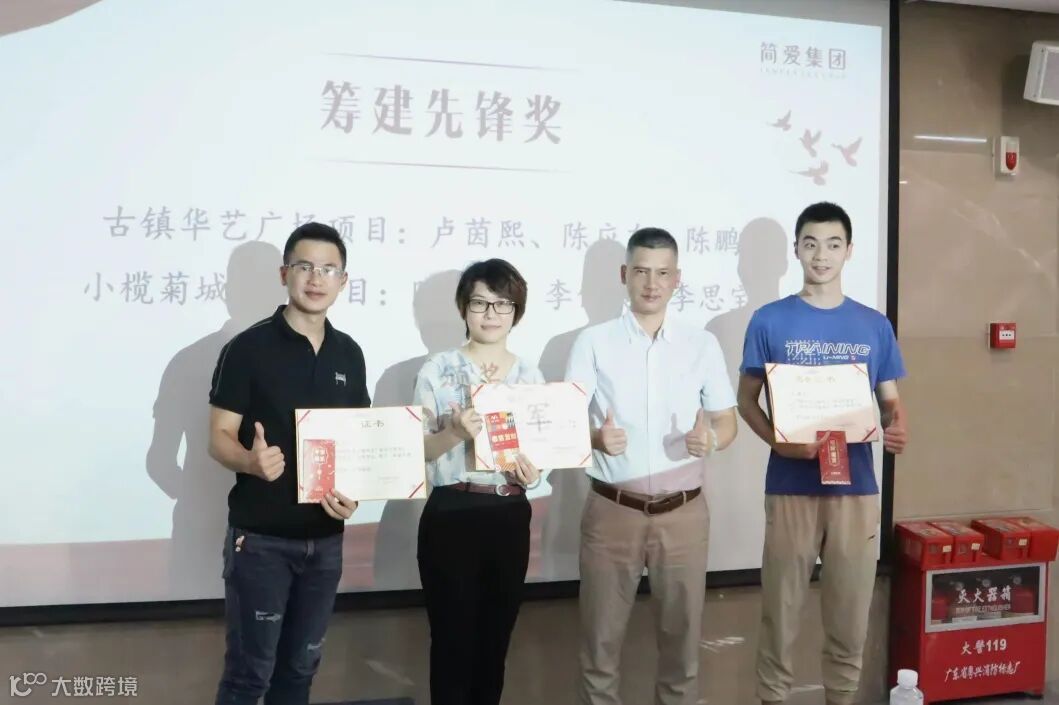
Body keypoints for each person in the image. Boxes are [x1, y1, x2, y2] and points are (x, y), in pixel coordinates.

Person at [737, 202, 908, 705]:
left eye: (833, 244)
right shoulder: (769, 320)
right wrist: (778, 442)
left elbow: (891, 401)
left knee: (849, 615)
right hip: (790, 486)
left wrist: (897, 427)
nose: (821, 255)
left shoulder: (873, 325)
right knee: (780, 612)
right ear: (796, 249)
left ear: (849, 251)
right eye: (810, 243)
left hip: (856, 490)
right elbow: (746, 401)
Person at [566, 227, 738, 705]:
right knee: (599, 647)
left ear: (677, 279)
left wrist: (711, 439)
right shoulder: (593, 342)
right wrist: (594, 438)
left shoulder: (701, 344)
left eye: (663, 273)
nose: (651, 283)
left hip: (683, 513)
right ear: (624, 274)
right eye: (641, 271)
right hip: (612, 511)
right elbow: (562, 425)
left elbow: (727, 421)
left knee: (682, 649)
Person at [208, 222, 366, 705]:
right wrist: (249, 461)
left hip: (326, 542)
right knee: (249, 675)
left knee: (300, 671)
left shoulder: (349, 353)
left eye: (328, 269)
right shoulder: (247, 348)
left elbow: (356, 443)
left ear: (343, 281)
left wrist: (354, 493)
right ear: (284, 274)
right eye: (304, 266)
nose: (316, 279)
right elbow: (218, 437)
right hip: (261, 542)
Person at [413, 258, 545, 705]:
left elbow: (539, 452)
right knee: (451, 642)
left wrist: (534, 472)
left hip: (509, 512)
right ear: (463, 308)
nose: (491, 314)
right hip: (452, 512)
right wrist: (453, 433)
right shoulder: (437, 369)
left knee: (495, 642)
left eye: (502, 304)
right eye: (480, 303)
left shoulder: (530, 376)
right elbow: (417, 450)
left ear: (516, 311)